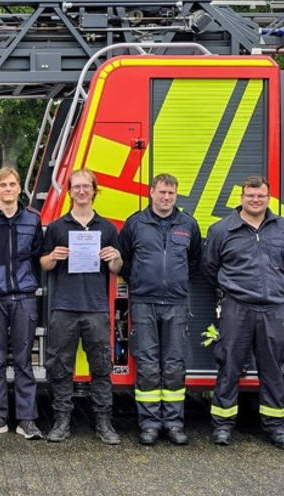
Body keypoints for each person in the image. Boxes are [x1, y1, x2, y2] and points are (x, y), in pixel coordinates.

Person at [202, 175, 284, 449]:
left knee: (272, 371)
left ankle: (276, 428)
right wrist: (234, 290)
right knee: (229, 367)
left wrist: (274, 286)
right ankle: (222, 426)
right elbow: (210, 267)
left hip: (273, 309)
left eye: (261, 196)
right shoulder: (221, 230)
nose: (255, 200)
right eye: (250, 195)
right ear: (241, 197)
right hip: (236, 308)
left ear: (269, 198)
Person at [40, 168, 123, 445]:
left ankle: (103, 423)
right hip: (63, 307)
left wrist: (115, 257)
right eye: (76, 187)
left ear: (94, 190)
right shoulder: (56, 227)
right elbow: (43, 264)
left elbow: (116, 269)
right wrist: (52, 256)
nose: (82, 191)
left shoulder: (108, 228)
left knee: (101, 366)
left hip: (96, 307)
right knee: (60, 366)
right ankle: (62, 421)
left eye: (86, 186)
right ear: (70, 191)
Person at [119, 173, 202, 446]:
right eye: (162, 192)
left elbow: (194, 261)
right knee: (148, 365)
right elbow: (126, 262)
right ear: (151, 192)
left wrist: (174, 283)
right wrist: (142, 280)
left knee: (175, 365)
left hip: (176, 304)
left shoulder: (188, 224)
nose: (166, 197)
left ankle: (175, 423)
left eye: (171, 193)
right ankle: (150, 424)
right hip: (143, 302)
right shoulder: (135, 224)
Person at [0, 167, 44, 440]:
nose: (8, 189)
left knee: (24, 361)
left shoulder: (33, 219)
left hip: (24, 297)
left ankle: (27, 420)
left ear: (19, 189)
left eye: (13, 184)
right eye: (2, 184)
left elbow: (39, 254)